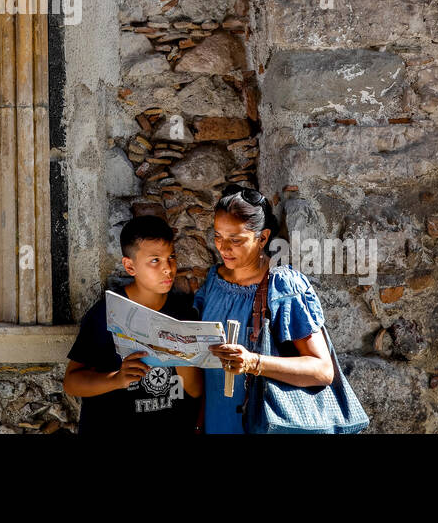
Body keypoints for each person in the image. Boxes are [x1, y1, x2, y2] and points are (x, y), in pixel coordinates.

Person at [196, 184, 335, 434]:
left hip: (261, 422)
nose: (223, 248)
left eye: (235, 240)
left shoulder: (283, 286)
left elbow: (322, 370)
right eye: (218, 236)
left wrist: (253, 362)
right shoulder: (213, 281)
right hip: (217, 419)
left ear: (262, 237)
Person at [64, 215, 205, 434]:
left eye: (171, 257)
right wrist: (116, 379)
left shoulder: (184, 313)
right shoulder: (107, 314)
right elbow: (71, 383)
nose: (168, 268)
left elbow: (195, 391)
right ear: (130, 266)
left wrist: (180, 355)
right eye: (155, 260)